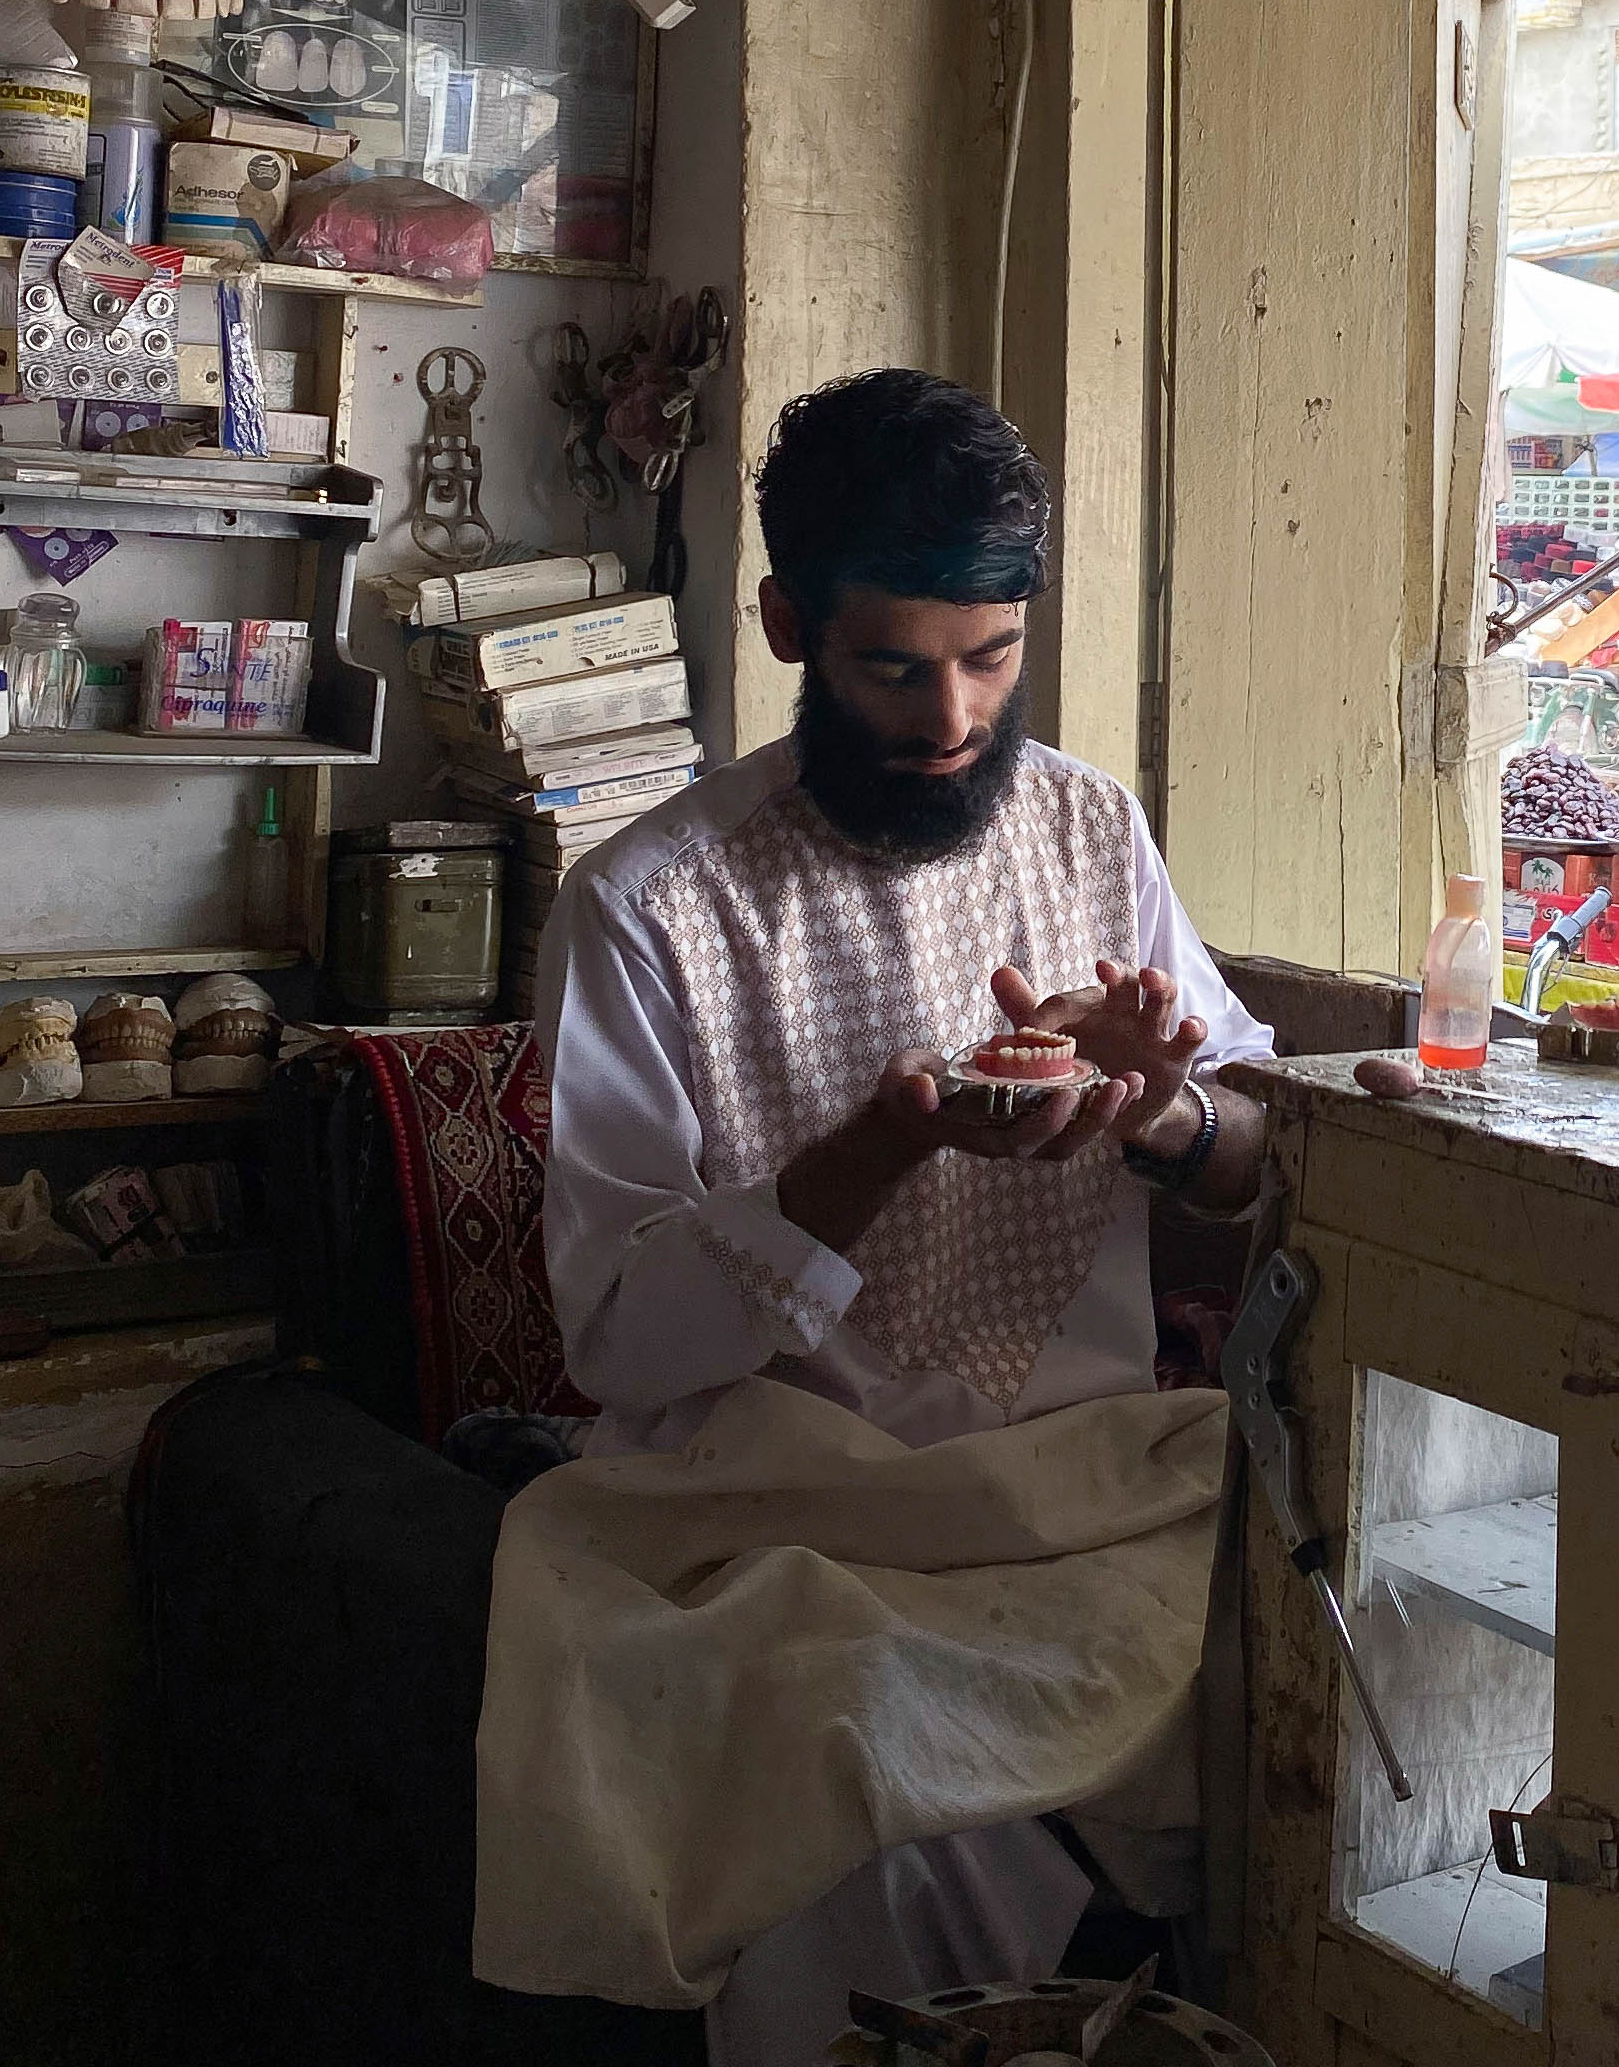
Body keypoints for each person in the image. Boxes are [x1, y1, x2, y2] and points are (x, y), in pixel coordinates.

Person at [535, 367, 1275, 2063]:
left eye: (991, 658)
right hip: (783, 1507)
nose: (952, 718)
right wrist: (867, 1157)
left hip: (1083, 1490)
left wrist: (1157, 1112)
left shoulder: (1086, 825)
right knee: (855, 1750)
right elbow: (616, 1336)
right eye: (895, 667)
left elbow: (1253, 1156)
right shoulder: (650, 907)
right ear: (793, 623)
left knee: (1315, 1670)